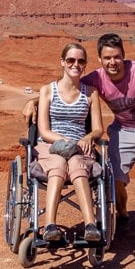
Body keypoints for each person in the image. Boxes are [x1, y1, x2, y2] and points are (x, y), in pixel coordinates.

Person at [25, 33, 135, 253]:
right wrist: (33, 101)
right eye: (108, 58)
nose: (113, 62)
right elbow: (68, 87)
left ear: (124, 56)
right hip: (121, 129)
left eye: (117, 57)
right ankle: (121, 215)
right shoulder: (95, 79)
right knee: (117, 180)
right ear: (100, 59)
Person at [34, 42, 104, 243]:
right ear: (63, 62)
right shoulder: (48, 91)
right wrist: (64, 140)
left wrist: (88, 137)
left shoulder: (90, 93)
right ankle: (49, 226)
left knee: (76, 164)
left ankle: (91, 225)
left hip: (80, 147)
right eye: (71, 60)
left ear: (85, 64)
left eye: (81, 61)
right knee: (58, 163)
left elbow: (98, 128)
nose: (76, 64)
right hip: (50, 145)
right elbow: (44, 130)